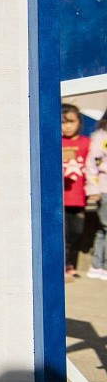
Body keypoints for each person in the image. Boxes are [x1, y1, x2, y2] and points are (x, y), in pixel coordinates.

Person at [61, 104, 89, 282]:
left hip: (79, 197)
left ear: (79, 121)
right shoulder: (56, 142)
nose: (67, 126)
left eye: (71, 121)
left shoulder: (86, 143)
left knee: (76, 233)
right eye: (63, 122)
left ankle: (68, 263)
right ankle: (64, 265)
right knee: (61, 234)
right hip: (61, 198)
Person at [85, 110, 107, 281]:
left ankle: (99, 264)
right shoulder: (100, 136)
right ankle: (98, 264)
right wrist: (93, 189)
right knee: (104, 228)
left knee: (103, 229)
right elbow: (91, 163)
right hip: (104, 186)